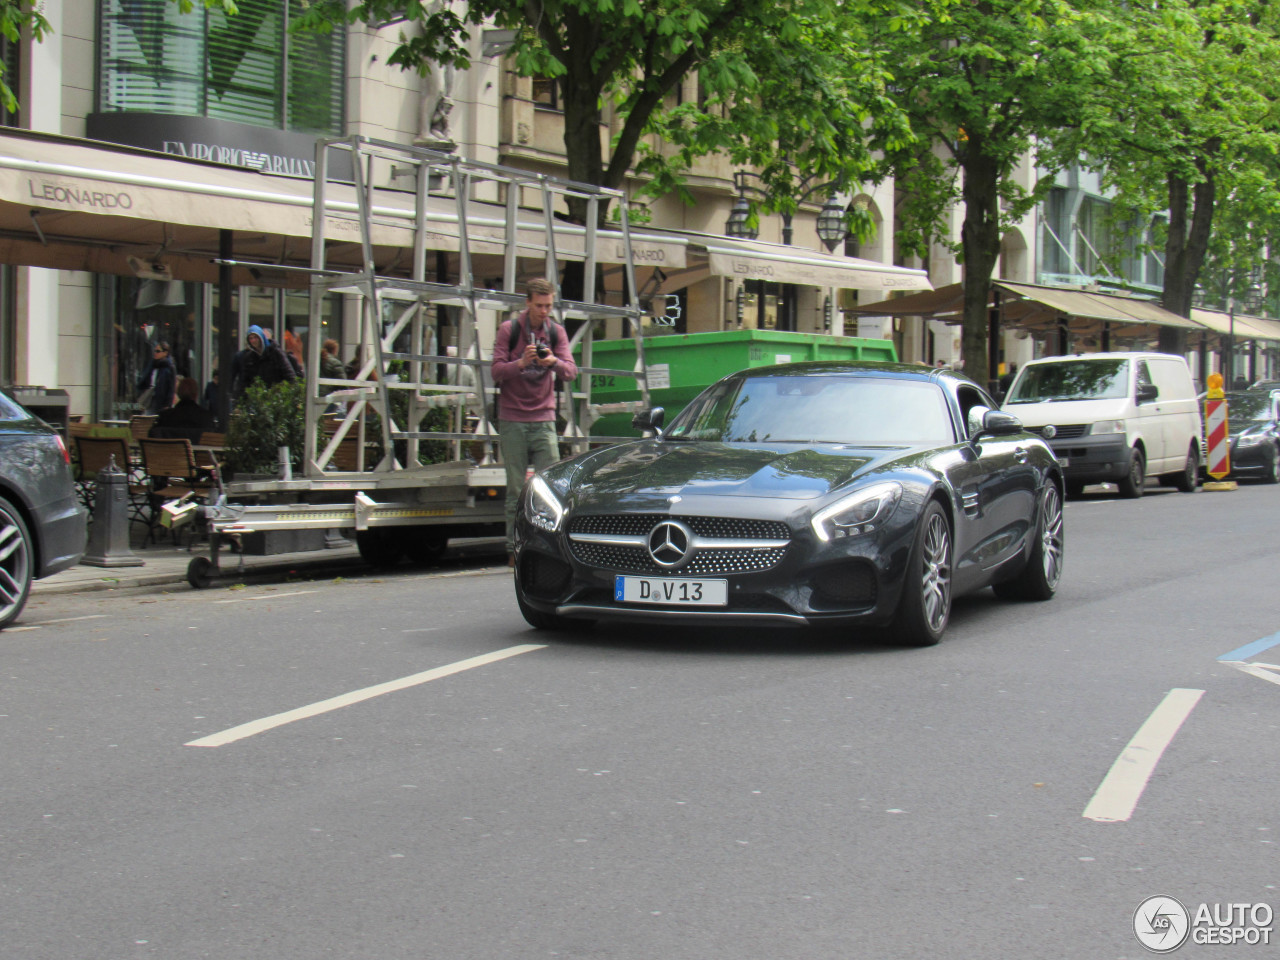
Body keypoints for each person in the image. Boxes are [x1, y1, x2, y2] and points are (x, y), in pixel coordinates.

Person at [491, 278, 577, 566]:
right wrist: (521, 363)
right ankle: (513, 549)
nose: (544, 311)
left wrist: (551, 361)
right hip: (512, 417)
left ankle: (548, 548)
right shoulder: (509, 329)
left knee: (550, 488)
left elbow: (571, 371)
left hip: (544, 418)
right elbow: (496, 371)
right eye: (539, 305)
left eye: (549, 306)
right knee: (515, 488)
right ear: (527, 303)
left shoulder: (556, 332)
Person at [231, 324, 297, 400]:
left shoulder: (276, 353)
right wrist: (239, 399)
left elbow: (289, 373)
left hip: (277, 397)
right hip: (259, 399)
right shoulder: (249, 358)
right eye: (250, 338)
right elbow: (245, 381)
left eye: (255, 337)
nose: (253, 341)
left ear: (261, 337)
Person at [151, 377, 217, 441]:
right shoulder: (206, 418)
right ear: (196, 395)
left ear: (178, 394)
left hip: (167, 451)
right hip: (198, 452)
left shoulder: (165, 417)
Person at [136, 340, 177, 414]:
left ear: (165, 353)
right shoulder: (152, 364)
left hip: (161, 401)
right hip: (150, 399)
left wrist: (168, 404)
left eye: (158, 351)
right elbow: (145, 380)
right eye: (155, 351)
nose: (155, 353)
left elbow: (171, 387)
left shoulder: (169, 367)